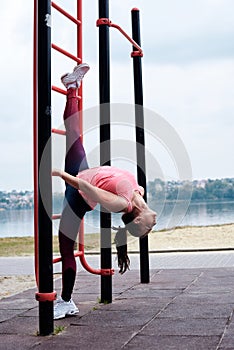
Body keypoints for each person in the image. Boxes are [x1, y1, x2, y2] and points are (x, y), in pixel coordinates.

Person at [52, 63, 157, 320]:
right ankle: (72, 86)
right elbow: (127, 186)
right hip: (87, 172)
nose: (151, 227)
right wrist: (137, 191)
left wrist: (61, 175)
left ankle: (65, 301)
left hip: (78, 190)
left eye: (145, 228)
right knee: (74, 135)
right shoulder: (138, 195)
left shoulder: (121, 203)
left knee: (66, 248)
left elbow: (90, 190)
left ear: (135, 218)